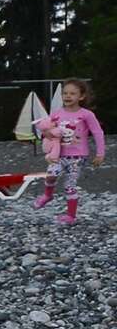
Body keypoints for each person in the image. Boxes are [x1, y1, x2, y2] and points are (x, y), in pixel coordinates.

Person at [32, 78, 106, 226]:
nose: (68, 96)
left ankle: (71, 216)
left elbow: (98, 133)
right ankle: (47, 195)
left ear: (81, 96)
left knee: (69, 186)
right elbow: (45, 130)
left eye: (72, 93)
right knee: (51, 174)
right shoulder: (56, 114)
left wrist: (100, 153)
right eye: (65, 93)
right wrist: (47, 139)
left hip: (78, 157)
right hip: (58, 155)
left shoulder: (86, 115)